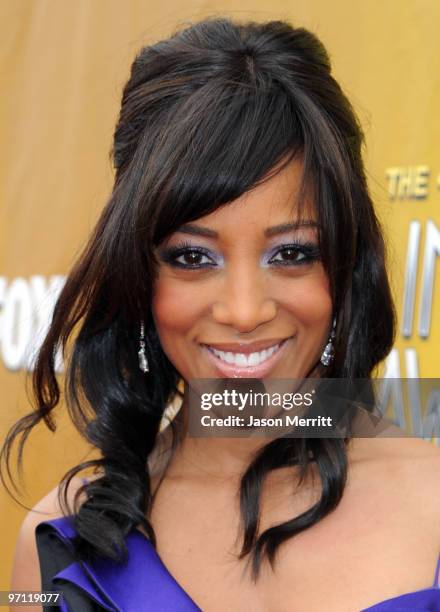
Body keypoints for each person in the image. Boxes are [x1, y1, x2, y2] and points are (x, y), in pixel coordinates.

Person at [3, 16, 440, 612]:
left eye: (291, 253)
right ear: (138, 272)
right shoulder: (52, 546)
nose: (243, 311)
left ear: (343, 265)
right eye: (191, 256)